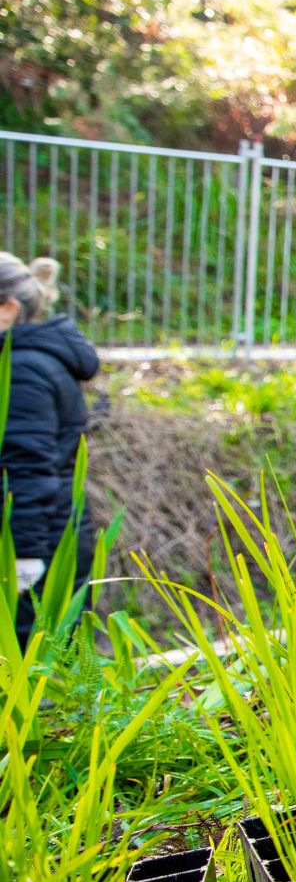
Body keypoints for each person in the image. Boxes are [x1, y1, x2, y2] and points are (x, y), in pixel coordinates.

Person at [0, 254, 98, 650]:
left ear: (7, 309)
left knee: (35, 676)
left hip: (37, 545)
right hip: (43, 533)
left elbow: (26, 466)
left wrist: (23, 555)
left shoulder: (22, 370)